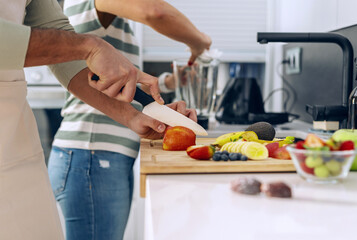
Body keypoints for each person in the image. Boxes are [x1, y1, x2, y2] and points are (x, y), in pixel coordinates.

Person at [0, 0, 195, 239]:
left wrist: (134, 117)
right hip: (86, 155)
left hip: (20, 150)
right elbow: (154, 13)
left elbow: (65, 52)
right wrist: (90, 46)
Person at [47, 0, 211, 239]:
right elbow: (155, 11)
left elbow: (118, 85)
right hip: (92, 157)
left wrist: (168, 84)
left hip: (93, 158)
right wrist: (200, 42)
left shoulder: (99, 14)